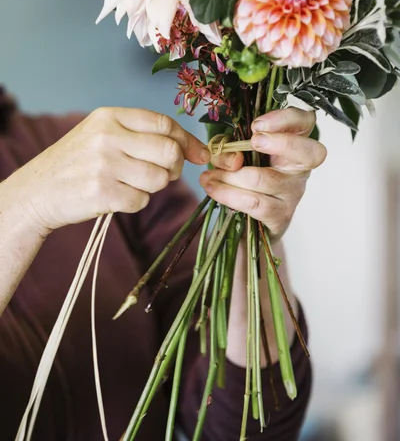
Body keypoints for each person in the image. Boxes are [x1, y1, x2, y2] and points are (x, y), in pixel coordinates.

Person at [0, 86, 326, 441]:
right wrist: (23, 206)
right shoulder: (64, 167)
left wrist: (256, 227)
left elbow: (243, 426)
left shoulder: (106, 164)